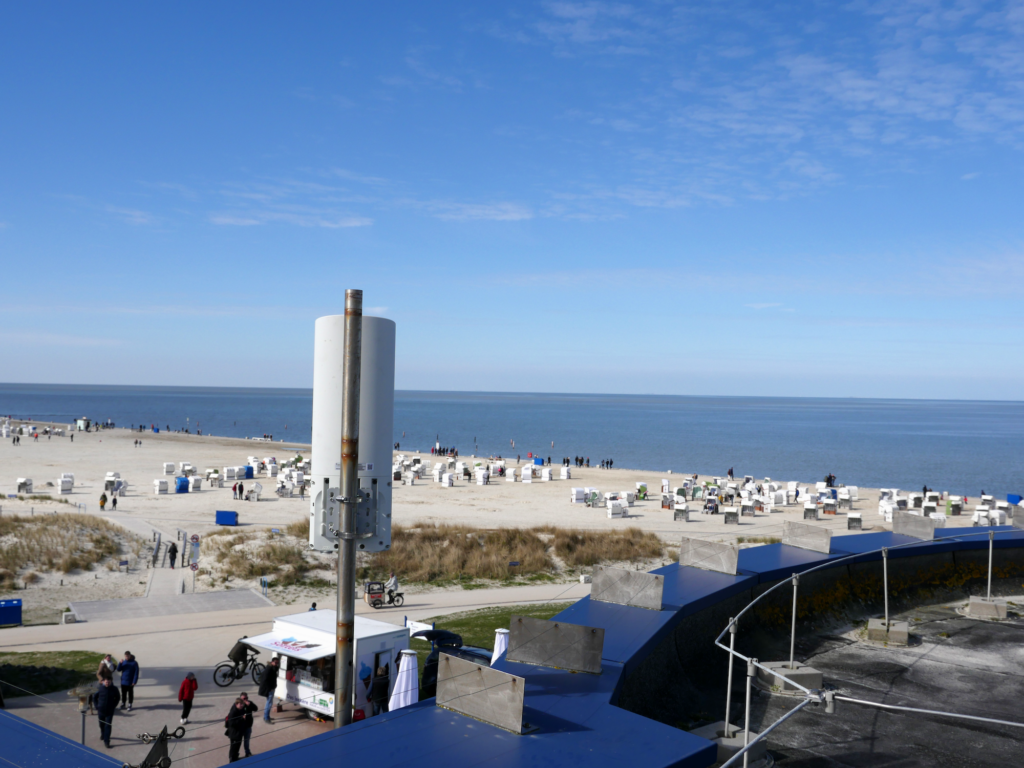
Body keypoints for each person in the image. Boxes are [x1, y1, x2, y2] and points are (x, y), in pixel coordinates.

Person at [95, 677, 120, 748]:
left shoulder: (114, 689)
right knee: (101, 724)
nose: (107, 683)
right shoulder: (100, 688)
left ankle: (107, 741)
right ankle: (103, 734)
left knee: (108, 725)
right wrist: (97, 706)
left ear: (111, 681)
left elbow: (117, 698)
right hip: (101, 710)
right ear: (103, 682)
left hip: (109, 711)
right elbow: (94, 697)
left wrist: (113, 706)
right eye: (106, 682)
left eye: (109, 682)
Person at [258, 656, 280, 723]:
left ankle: (266, 717)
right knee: (269, 703)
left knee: (269, 703)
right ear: (272, 662)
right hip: (269, 689)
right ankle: (266, 718)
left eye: (277, 663)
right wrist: (270, 689)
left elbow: (275, 670)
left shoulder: (272, 668)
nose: (276, 664)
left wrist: (276, 666)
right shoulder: (269, 669)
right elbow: (265, 680)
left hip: (271, 688)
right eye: (275, 662)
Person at [226, 697, 247, 762]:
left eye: (242, 704)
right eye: (240, 704)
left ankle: (235, 757)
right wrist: (242, 718)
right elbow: (231, 723)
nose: (241, 705)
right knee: (233, 747)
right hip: (234, 733)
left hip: (239, 733)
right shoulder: (233, 712)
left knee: (237, 746)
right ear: (236, 704)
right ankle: (232, 759)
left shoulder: (241, 709)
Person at [237, 693, 258, 758]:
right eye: (244, 699)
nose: (245, 700)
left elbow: (256, 709)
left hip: (248, 726)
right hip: (240, 727)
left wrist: (250, 705)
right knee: (238, 742)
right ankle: (236, 754)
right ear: (241, 699)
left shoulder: (249, 703)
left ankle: (247, 752)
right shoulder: (238, 705)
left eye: (246, 698)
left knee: (247, 741)